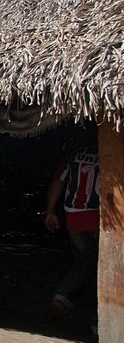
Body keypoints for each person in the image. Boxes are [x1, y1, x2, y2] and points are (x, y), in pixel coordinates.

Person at [44, 132, 100, 320]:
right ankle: (97, 318)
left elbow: (58, 183)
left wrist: (50, 211)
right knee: (102, 266)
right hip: (99, 217)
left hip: (74, 217)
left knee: (83, 261)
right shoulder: (109, 154)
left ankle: (62, 296)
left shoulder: (72, 157)